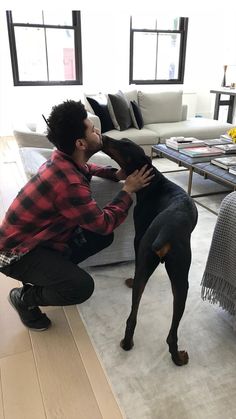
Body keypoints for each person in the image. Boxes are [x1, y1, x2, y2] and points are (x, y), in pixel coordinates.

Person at [0, 100, 153, 331]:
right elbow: (103, 224)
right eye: (92, 129)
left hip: (36, 240)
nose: (97, 132)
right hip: (16, 254)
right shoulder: (68, 184)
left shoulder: (62, 159)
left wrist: (114, 174)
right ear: (81, 143)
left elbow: (88, 169)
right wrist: (127, 190)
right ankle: (24, 299)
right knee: (81, 286)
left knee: (100, 238)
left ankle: (49, 275)